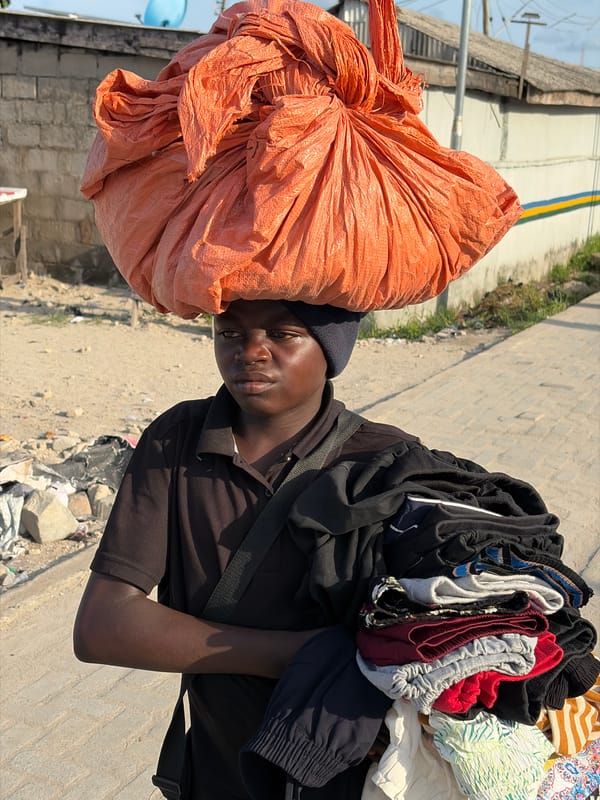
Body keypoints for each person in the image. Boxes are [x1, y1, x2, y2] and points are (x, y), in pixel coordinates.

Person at [73, 298, 414, 799]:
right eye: (229, 333)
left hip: (344, 776)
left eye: (283, 334)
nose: (251, 351)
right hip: (217, 769)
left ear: (331, 349)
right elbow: (102, 627)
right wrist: (301, 655)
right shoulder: (177, 442)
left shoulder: (384, 462)